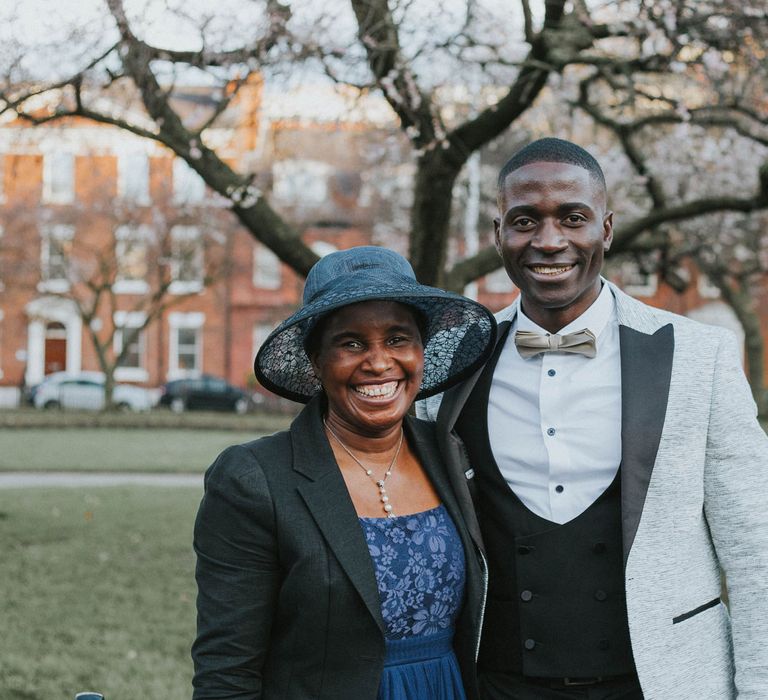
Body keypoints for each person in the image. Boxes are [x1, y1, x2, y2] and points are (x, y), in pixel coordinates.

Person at [418, 137, 768, 699]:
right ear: (498, 234)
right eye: (525, 221)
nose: (549, 241)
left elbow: (757, 551)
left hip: (663, 683)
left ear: (605, 228)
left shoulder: (702, 355)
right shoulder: (451, 363)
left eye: (572, 218)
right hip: (496, 684)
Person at [191, 246, 497, 699]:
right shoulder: (254, 480)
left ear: (421, 350)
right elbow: (227, 670)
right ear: (316, 361)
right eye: (351, 343)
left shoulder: (451, 454)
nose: (378, 362)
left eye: (397, 339)